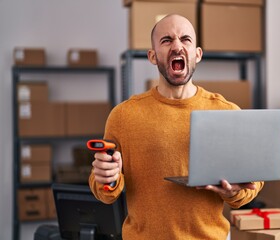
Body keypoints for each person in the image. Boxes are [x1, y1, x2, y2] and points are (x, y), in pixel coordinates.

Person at [89, 14, 264, 240]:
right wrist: (106, 178)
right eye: (166, 40)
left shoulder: (227, 112)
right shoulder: (124, 115)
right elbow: (104, 192)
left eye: (185, 39)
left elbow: (254, 182)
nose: (177, 46)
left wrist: (235, 192)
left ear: (197, 54)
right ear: (152, 56)